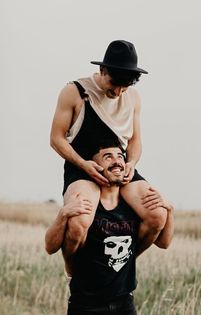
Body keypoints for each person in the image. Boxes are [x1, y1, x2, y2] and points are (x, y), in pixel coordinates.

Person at [50, 39, 169, 271]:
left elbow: (135, 141)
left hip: (118, 165)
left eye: (124, 87)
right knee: (78, 223)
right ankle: (72, 270)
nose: (118, 92)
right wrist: (83, 164)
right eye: (114, 84)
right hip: (82, 166)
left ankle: (122, 267)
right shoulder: (74, 92)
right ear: (102, 70)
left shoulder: (133, 97)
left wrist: (131, 163)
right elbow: (56, 139)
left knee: (157, 216)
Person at [45, 140, 174, 315]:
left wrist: (170, 209)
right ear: (95, 168)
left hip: (123, 301)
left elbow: (165, 242)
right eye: (108, 157)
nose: (117, 161)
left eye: (120, 156)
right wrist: (63, 214)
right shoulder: (86, 207)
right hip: (85, 302)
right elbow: (49, 247)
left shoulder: (134, 208)